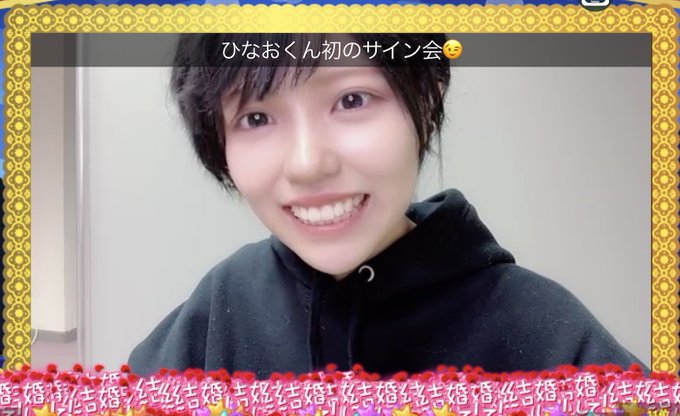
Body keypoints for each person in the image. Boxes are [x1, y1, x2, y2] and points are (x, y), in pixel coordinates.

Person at [128, 33, 645, 378]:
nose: (307, 164)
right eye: (256, 118)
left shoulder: (546, 334)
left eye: (351, 100)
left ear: (428, 95)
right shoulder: (221, 307)